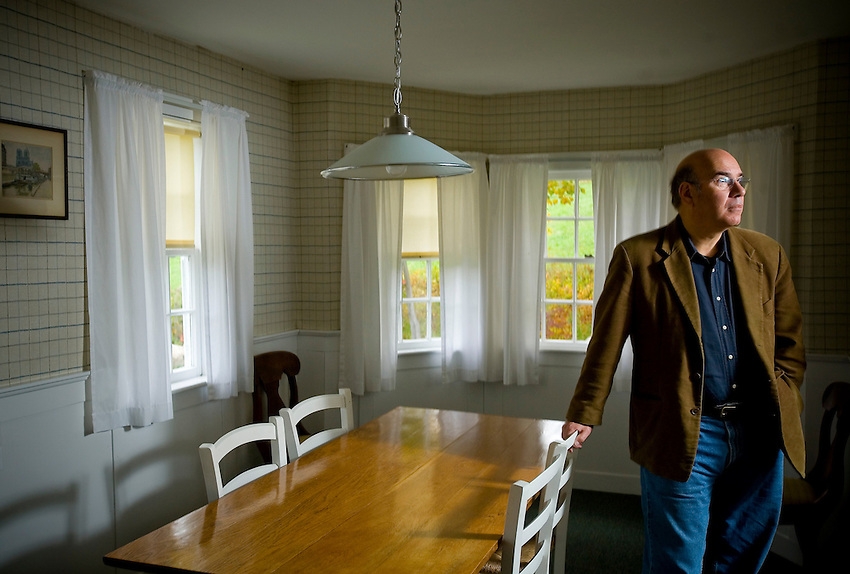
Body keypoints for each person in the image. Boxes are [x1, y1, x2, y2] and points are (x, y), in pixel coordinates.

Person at [563, 148, 806, 573]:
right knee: (677, 563)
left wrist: (785, 397)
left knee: (740, 558)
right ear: (687, 192)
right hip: (683, 433)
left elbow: (789, 344)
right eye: (723, 180)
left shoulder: (767, 255)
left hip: (759, 436)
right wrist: (585, 412)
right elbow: (605, 344)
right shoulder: (637, 258)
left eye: (741, 180)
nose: (738, 190)